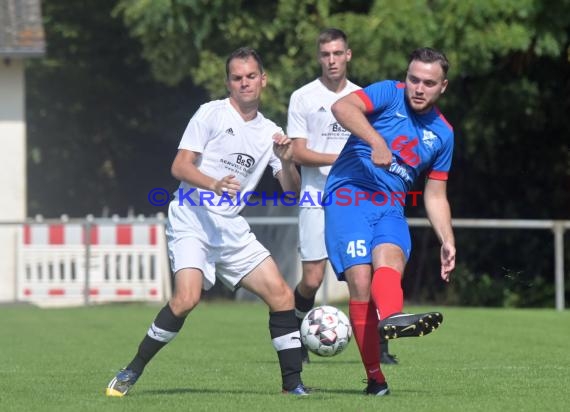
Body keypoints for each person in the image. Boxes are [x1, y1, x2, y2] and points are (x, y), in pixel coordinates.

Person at [105, 47, 310, 397]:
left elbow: (292, 194)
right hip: (192, 218)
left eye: (250, 76)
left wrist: (287, 161)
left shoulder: (272, 133)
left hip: (230, 227)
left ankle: (293, 388)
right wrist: (213, 183)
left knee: (281, 295)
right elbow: (180, 166)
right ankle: (131, 370)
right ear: (228, 83)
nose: (244, 83)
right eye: (236, 77)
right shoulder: (210, 114)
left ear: (264, 80)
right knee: (186, 299)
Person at [324, 47, 456, 396]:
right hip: (349, 194)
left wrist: (447, 239)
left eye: (429, 83)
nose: (418, 88)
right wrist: (376, 140)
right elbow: (342, 107)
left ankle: (392, 319)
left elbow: (435, 194)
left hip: (391, 204)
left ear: (442, 87)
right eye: (414, 79)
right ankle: (375, 377)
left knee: (391, 260)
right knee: (362, 281)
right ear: (406, 77)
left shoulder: (444, 134)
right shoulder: (387, 92)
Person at [288, 28, 398, 365]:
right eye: (326, 55)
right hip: (315, 195)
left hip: (354, 198)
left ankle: (379, 347)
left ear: (348, 55)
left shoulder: (362, 97)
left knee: (362, 273)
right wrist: (340, 160)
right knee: (312, 278)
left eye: (338, 54)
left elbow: (374, 147)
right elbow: (299, 153)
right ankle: (295, 333)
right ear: (319, 57)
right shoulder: (303, 97)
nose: (332, 60)